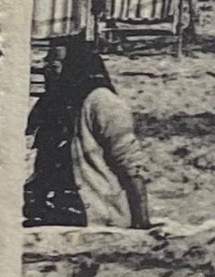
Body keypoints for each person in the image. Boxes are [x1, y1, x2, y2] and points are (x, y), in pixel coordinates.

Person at [24, 37, 153, 229]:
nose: (46, 66)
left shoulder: (102, 103)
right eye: (46, 60)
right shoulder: (52, 103)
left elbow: (131, 164)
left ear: (74, 66)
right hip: (49, 206)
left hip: (93, 210)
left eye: (54, 61)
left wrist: (142, 221)